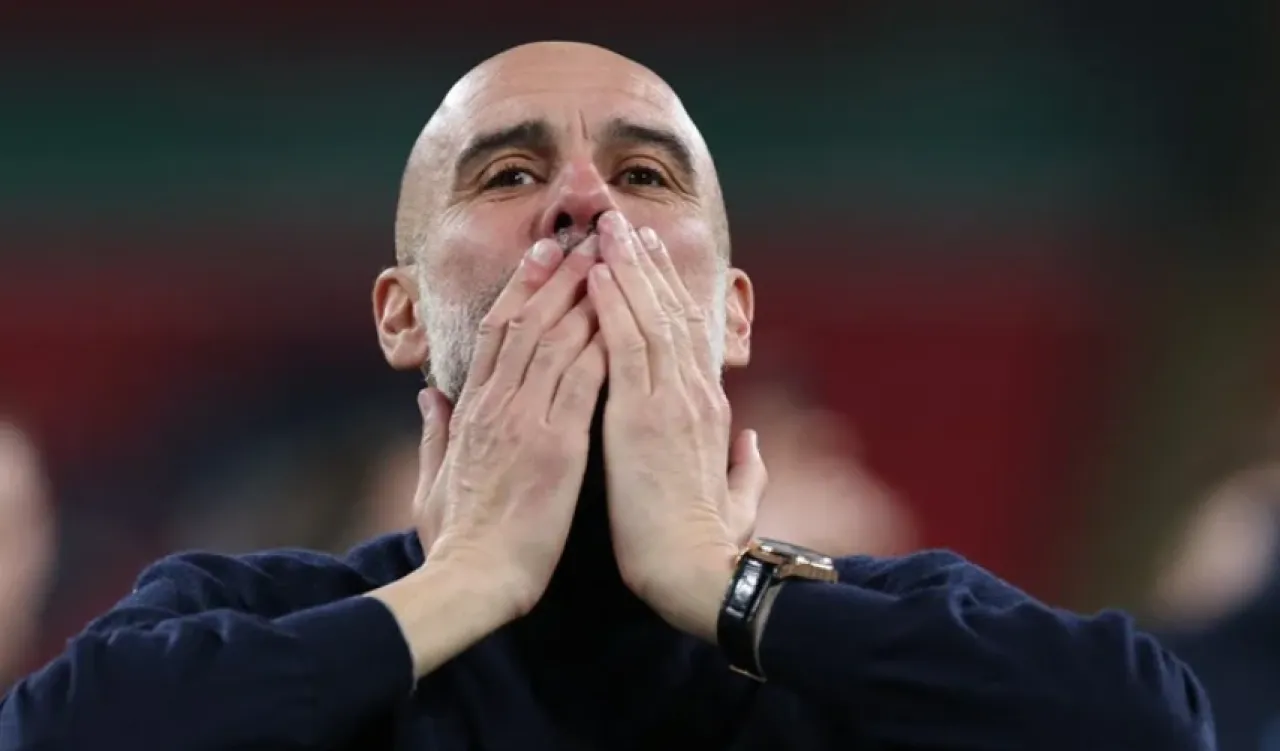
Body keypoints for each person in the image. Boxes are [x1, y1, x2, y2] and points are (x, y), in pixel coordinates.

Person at [0, 41, 1214, 750]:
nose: (584, 201)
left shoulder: (879, 636)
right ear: (400, 314)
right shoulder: (248, 616)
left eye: (642, 174)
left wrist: (720, 583)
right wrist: (467, 583)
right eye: (507, 173)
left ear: (731, 313)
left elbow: (1150, 729)